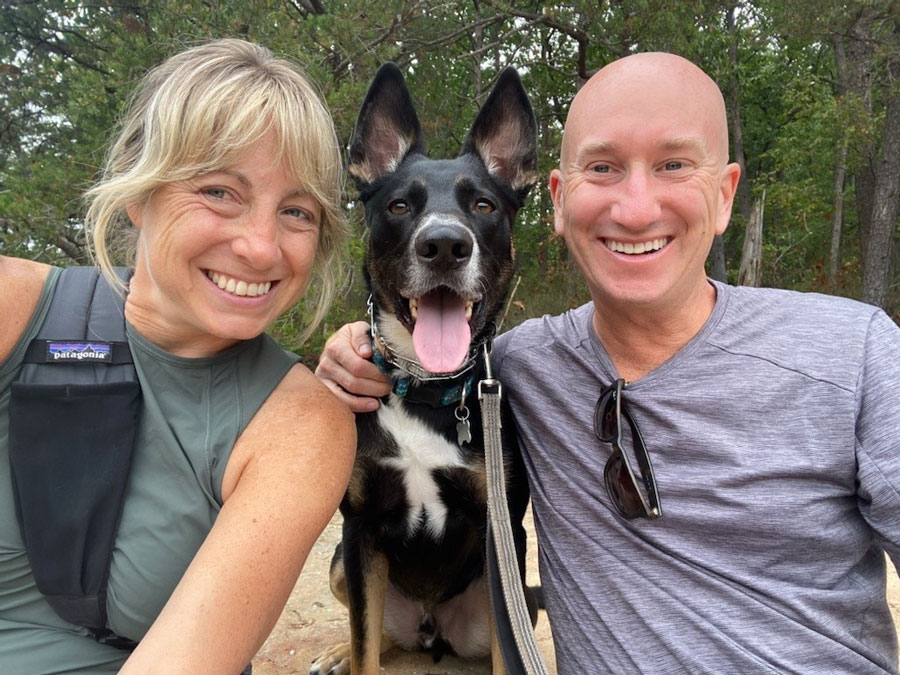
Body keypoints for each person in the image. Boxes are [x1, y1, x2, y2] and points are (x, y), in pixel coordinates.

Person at [315, 52, 900, 673]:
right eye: (603, 168)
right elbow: (417, 357)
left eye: (674, 165)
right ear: (560, 203)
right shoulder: (516, 367)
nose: (637, 207)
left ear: (726, 195)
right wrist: (352, 351)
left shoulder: (856, 352)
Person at [0, 39, 355, 673]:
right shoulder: (13, 308)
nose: (261, 247)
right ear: (139, 193)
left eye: (295, 211)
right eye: (220, 192)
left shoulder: (299, 426)